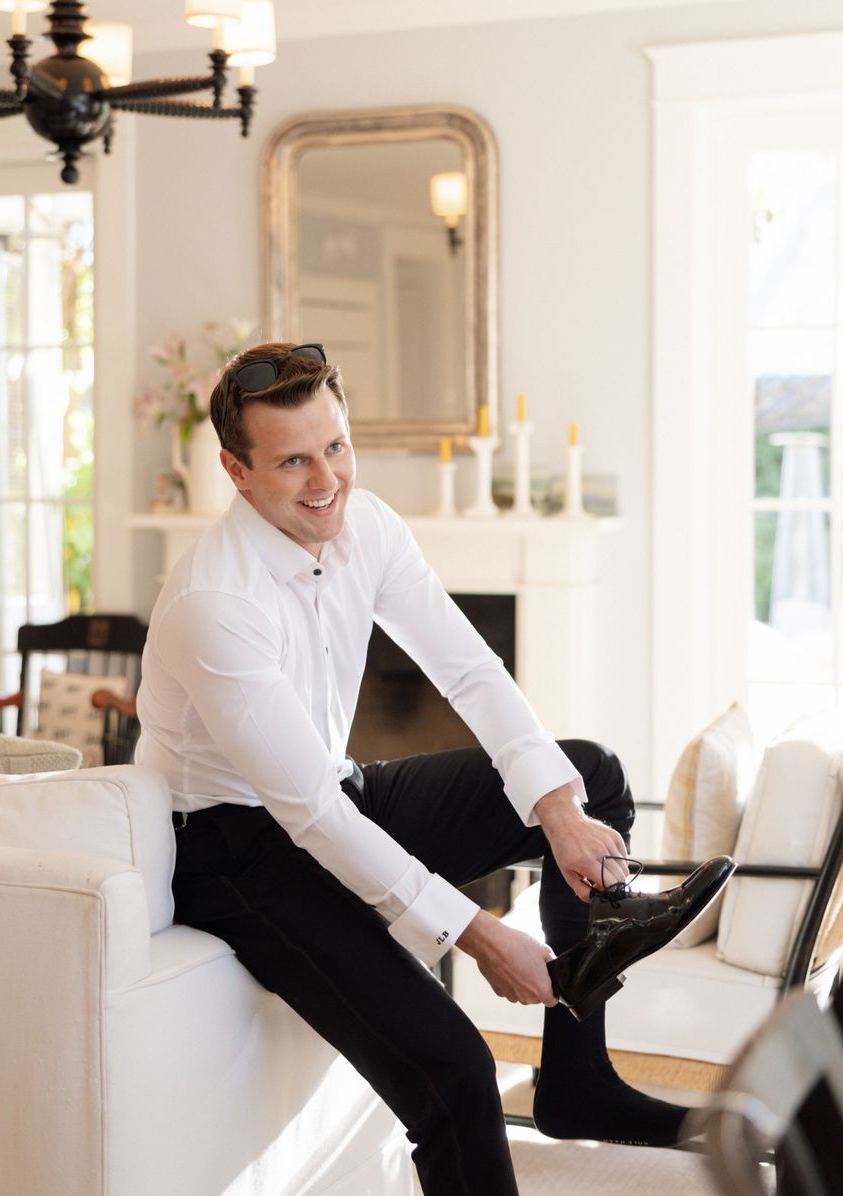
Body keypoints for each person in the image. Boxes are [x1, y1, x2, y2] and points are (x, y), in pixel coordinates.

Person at [135, 342, 728, 1196]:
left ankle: (578, 1082)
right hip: (235, 853)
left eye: (336, 447)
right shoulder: (213, 602)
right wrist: (478, 935)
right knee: (456, 1071)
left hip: (334, 790)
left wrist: (558, 812)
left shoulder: (367, 525)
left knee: (587, 776)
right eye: (293, 461)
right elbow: (311, 817)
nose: (326, 480)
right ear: (237, 471)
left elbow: (470, 670)